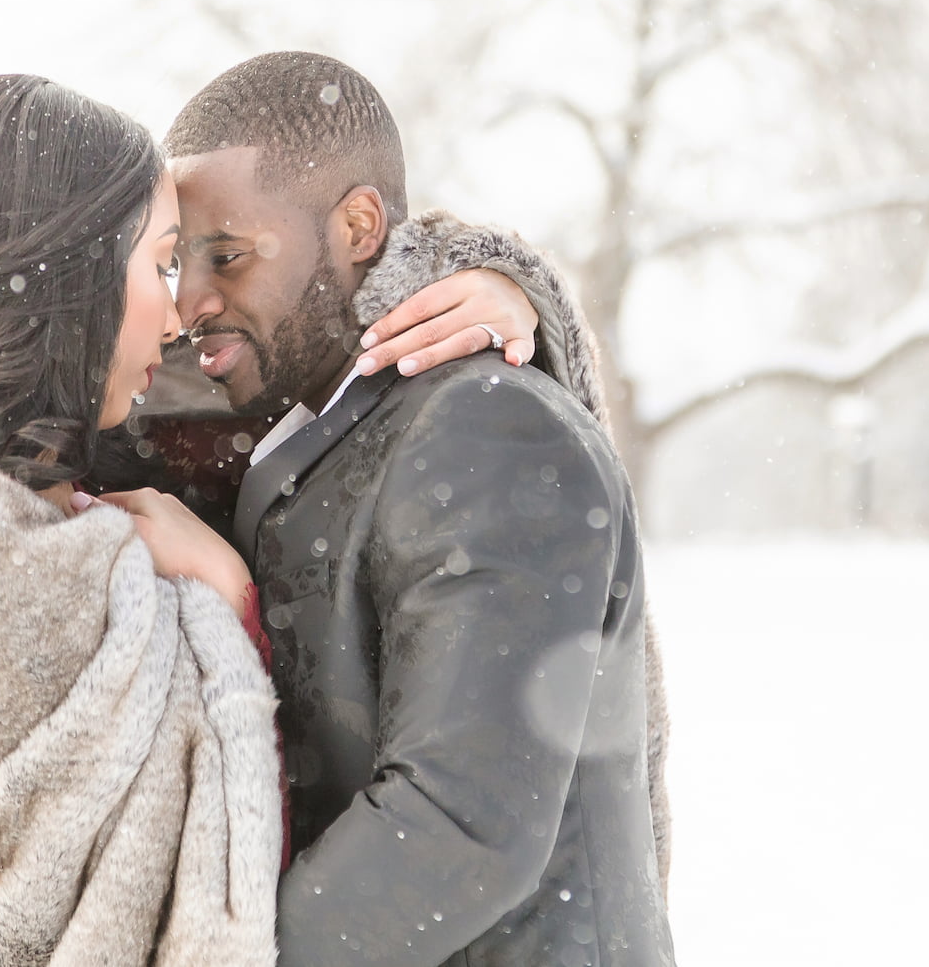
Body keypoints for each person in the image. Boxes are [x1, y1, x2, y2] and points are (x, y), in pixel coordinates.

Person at [0, 73, 548, 966]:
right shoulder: (28, 590)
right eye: (162, 263)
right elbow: (208, 903)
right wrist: (231, 603)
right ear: (69, 288)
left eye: (208, 260)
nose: (180, 316)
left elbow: (298, 342)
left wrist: (492, 285)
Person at [163, 51, 675, 966]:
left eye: (226, 256)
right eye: (177, 261)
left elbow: (459, 825)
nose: (192, 299)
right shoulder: (291, 407)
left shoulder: (488, 426)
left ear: (359, 226)